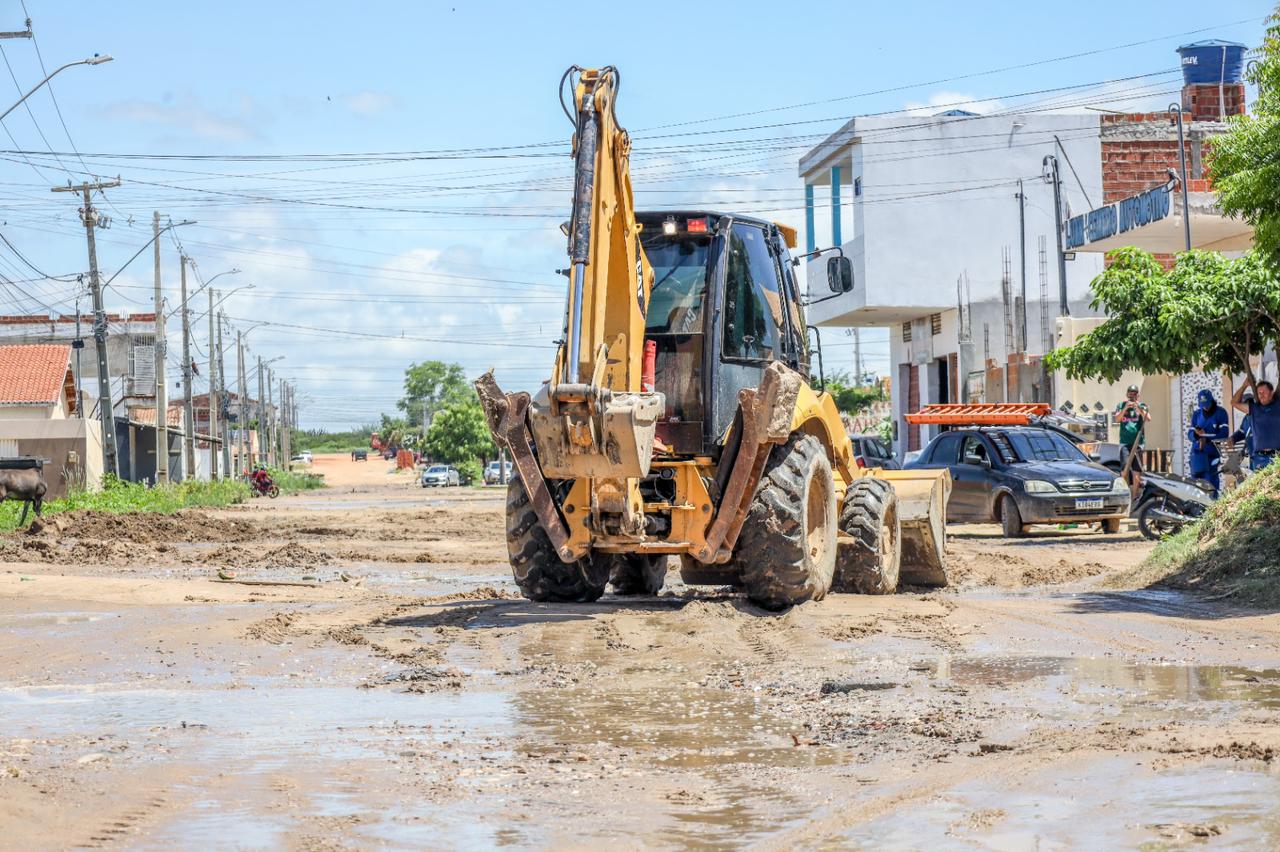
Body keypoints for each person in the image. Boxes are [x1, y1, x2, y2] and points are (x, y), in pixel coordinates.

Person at [1188, 389, 1229, 493]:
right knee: (1196, 486)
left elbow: (1224, 434)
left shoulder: (1221, 413)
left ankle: (1213, 502)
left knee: (1211, 485)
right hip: (1197, 456)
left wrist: (1207, 439)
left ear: (1212, 400)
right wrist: (1196, 435)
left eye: (1207, 404)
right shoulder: (1196, 414)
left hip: (1211, 455)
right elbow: (1190, 434)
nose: (1205, 407)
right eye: (1202, 405)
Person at [1233, 379, 1280, 471]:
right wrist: (1244, 386)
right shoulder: (1254, 409)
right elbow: (1234, 403)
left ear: (1271, 393)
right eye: (1259, 393)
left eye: (1264, 392)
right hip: (1259, 459)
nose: (1261, 395)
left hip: (1277, 457)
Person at [1115, 384, 1150, 494]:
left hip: (1138, 443)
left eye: (1134, 394)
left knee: (1136, 471)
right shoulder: (1121, 405)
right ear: (1127, 394)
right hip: (1125, 443)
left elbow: (1148, 418)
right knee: (1124, 470)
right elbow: (1117, 419)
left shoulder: (1142, 405)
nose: (1132, 396)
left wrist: (1138, 408)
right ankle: (1126, 493)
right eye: (1130, 393)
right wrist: (1126, 408)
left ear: (1138, 395)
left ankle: (1134, 496)